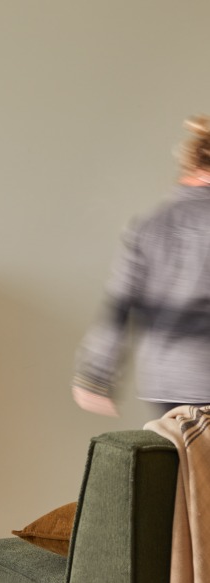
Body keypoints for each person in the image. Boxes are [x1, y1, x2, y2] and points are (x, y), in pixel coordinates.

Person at [72, 115, 210, 418]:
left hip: (167, 384)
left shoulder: (149, 225)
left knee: (187, 466)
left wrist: (95, 376)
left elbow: (120, 304)